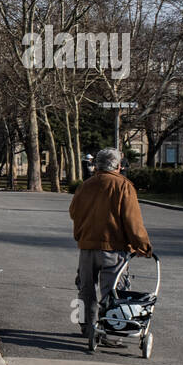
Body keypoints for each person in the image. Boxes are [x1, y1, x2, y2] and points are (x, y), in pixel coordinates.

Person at [68, 147, 153, 352]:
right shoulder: (123, 186)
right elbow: (132, 221)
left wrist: (81, 233)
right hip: (113, 248)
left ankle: (87, 327)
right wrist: (143, 246)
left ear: (96, 164)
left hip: (87, 247)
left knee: (85, 289)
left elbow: (74, 212)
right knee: (112, 291)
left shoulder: (86, 185)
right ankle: (109, 331)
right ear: (118, 165)